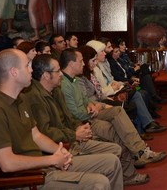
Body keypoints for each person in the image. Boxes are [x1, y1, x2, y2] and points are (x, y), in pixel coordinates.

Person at [0, 49, 123, 190]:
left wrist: (61, 153)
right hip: (23, 179)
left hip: (40, 166)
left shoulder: (20, 100)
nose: (32, 70)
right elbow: (7, 163)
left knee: (111, 162)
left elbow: (36, 135)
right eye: (27, 66)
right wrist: (51, 160)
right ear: (13, 72)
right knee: (98, 182)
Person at [22, 54, 149, 186]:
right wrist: (75, 134)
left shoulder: (56, 90)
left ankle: (137, 156)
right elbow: (45, 132)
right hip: (64, 145)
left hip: (71, 136)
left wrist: (78, 127)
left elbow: (69, 116)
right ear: (46, 76)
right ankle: (137, 156)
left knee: (118, 120)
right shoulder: (35, 98)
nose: (61, 74)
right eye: (57, 71)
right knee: (113, 134)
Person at [59, 48, 167, 168]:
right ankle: (139, 154)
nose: (83, 63)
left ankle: (141, 151)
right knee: (116, 124)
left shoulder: (74, 79)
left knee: (118, 111)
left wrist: (91, 104)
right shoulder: (65, 84)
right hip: (83, 119)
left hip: (90, 112)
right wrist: (96, 108)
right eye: (81, 61)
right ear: (71, 64)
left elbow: (85, 99)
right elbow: (75, 113)